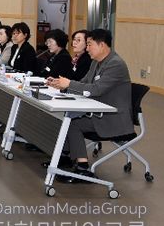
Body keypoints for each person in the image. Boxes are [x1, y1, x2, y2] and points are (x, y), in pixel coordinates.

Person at [47, 29, 133, 182]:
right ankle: (65, 157)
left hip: (113, 118)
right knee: (64, 117)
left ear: (102, 45)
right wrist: (62, 85)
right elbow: (84, 83)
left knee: (73, 123)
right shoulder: (96, 62)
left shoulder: (115, 64)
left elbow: (97, 89)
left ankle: (83, 169)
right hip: (98, 111)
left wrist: (69, 84)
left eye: (89, 44)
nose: (87, 49)